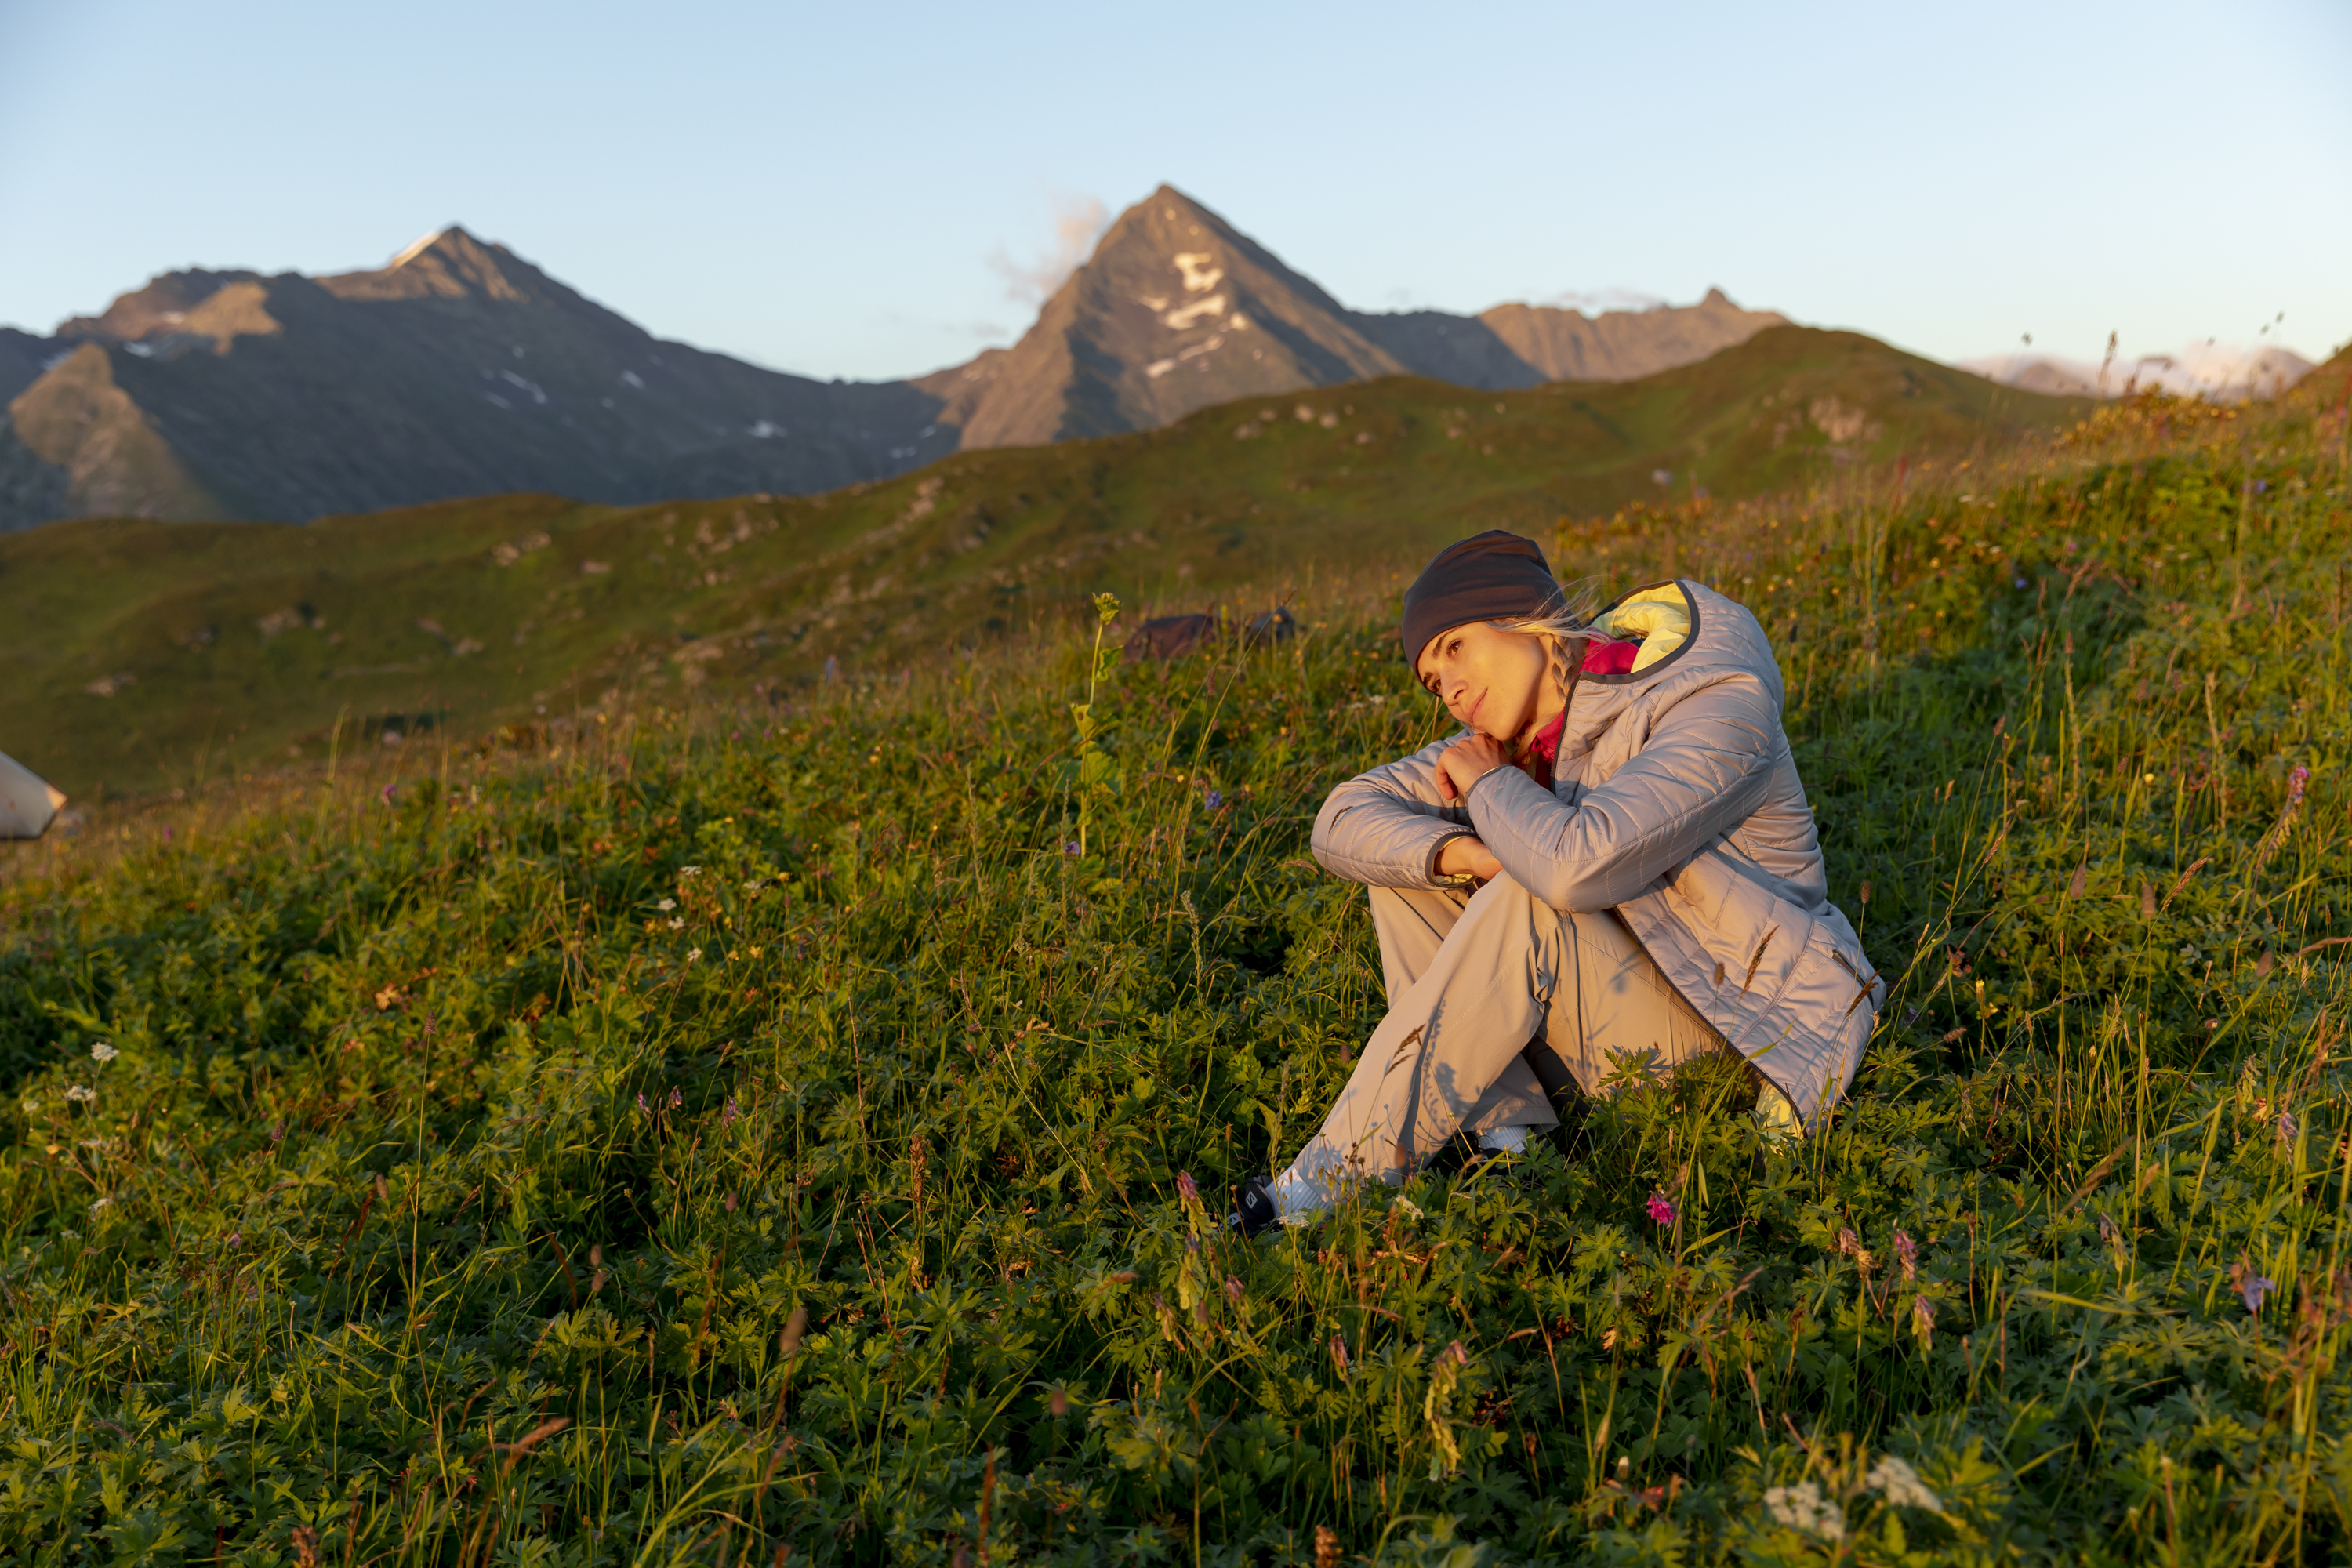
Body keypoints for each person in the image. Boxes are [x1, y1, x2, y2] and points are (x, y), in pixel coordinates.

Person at [1230, 530, 1881, 1234]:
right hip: (1625, 1024)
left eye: (1455, 648)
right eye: (1431, 679)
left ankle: (1322, 1185)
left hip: (1741, 1037)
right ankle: (1511, 1147)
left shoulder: (1714, 699)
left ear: (1530, 622)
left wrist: (1488, 786)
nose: (1447, 689)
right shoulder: (1519, 739)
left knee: (1530, 894)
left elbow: (1574, 867)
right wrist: (1469, 853)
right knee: (1412, 872)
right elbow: (1342, 817)